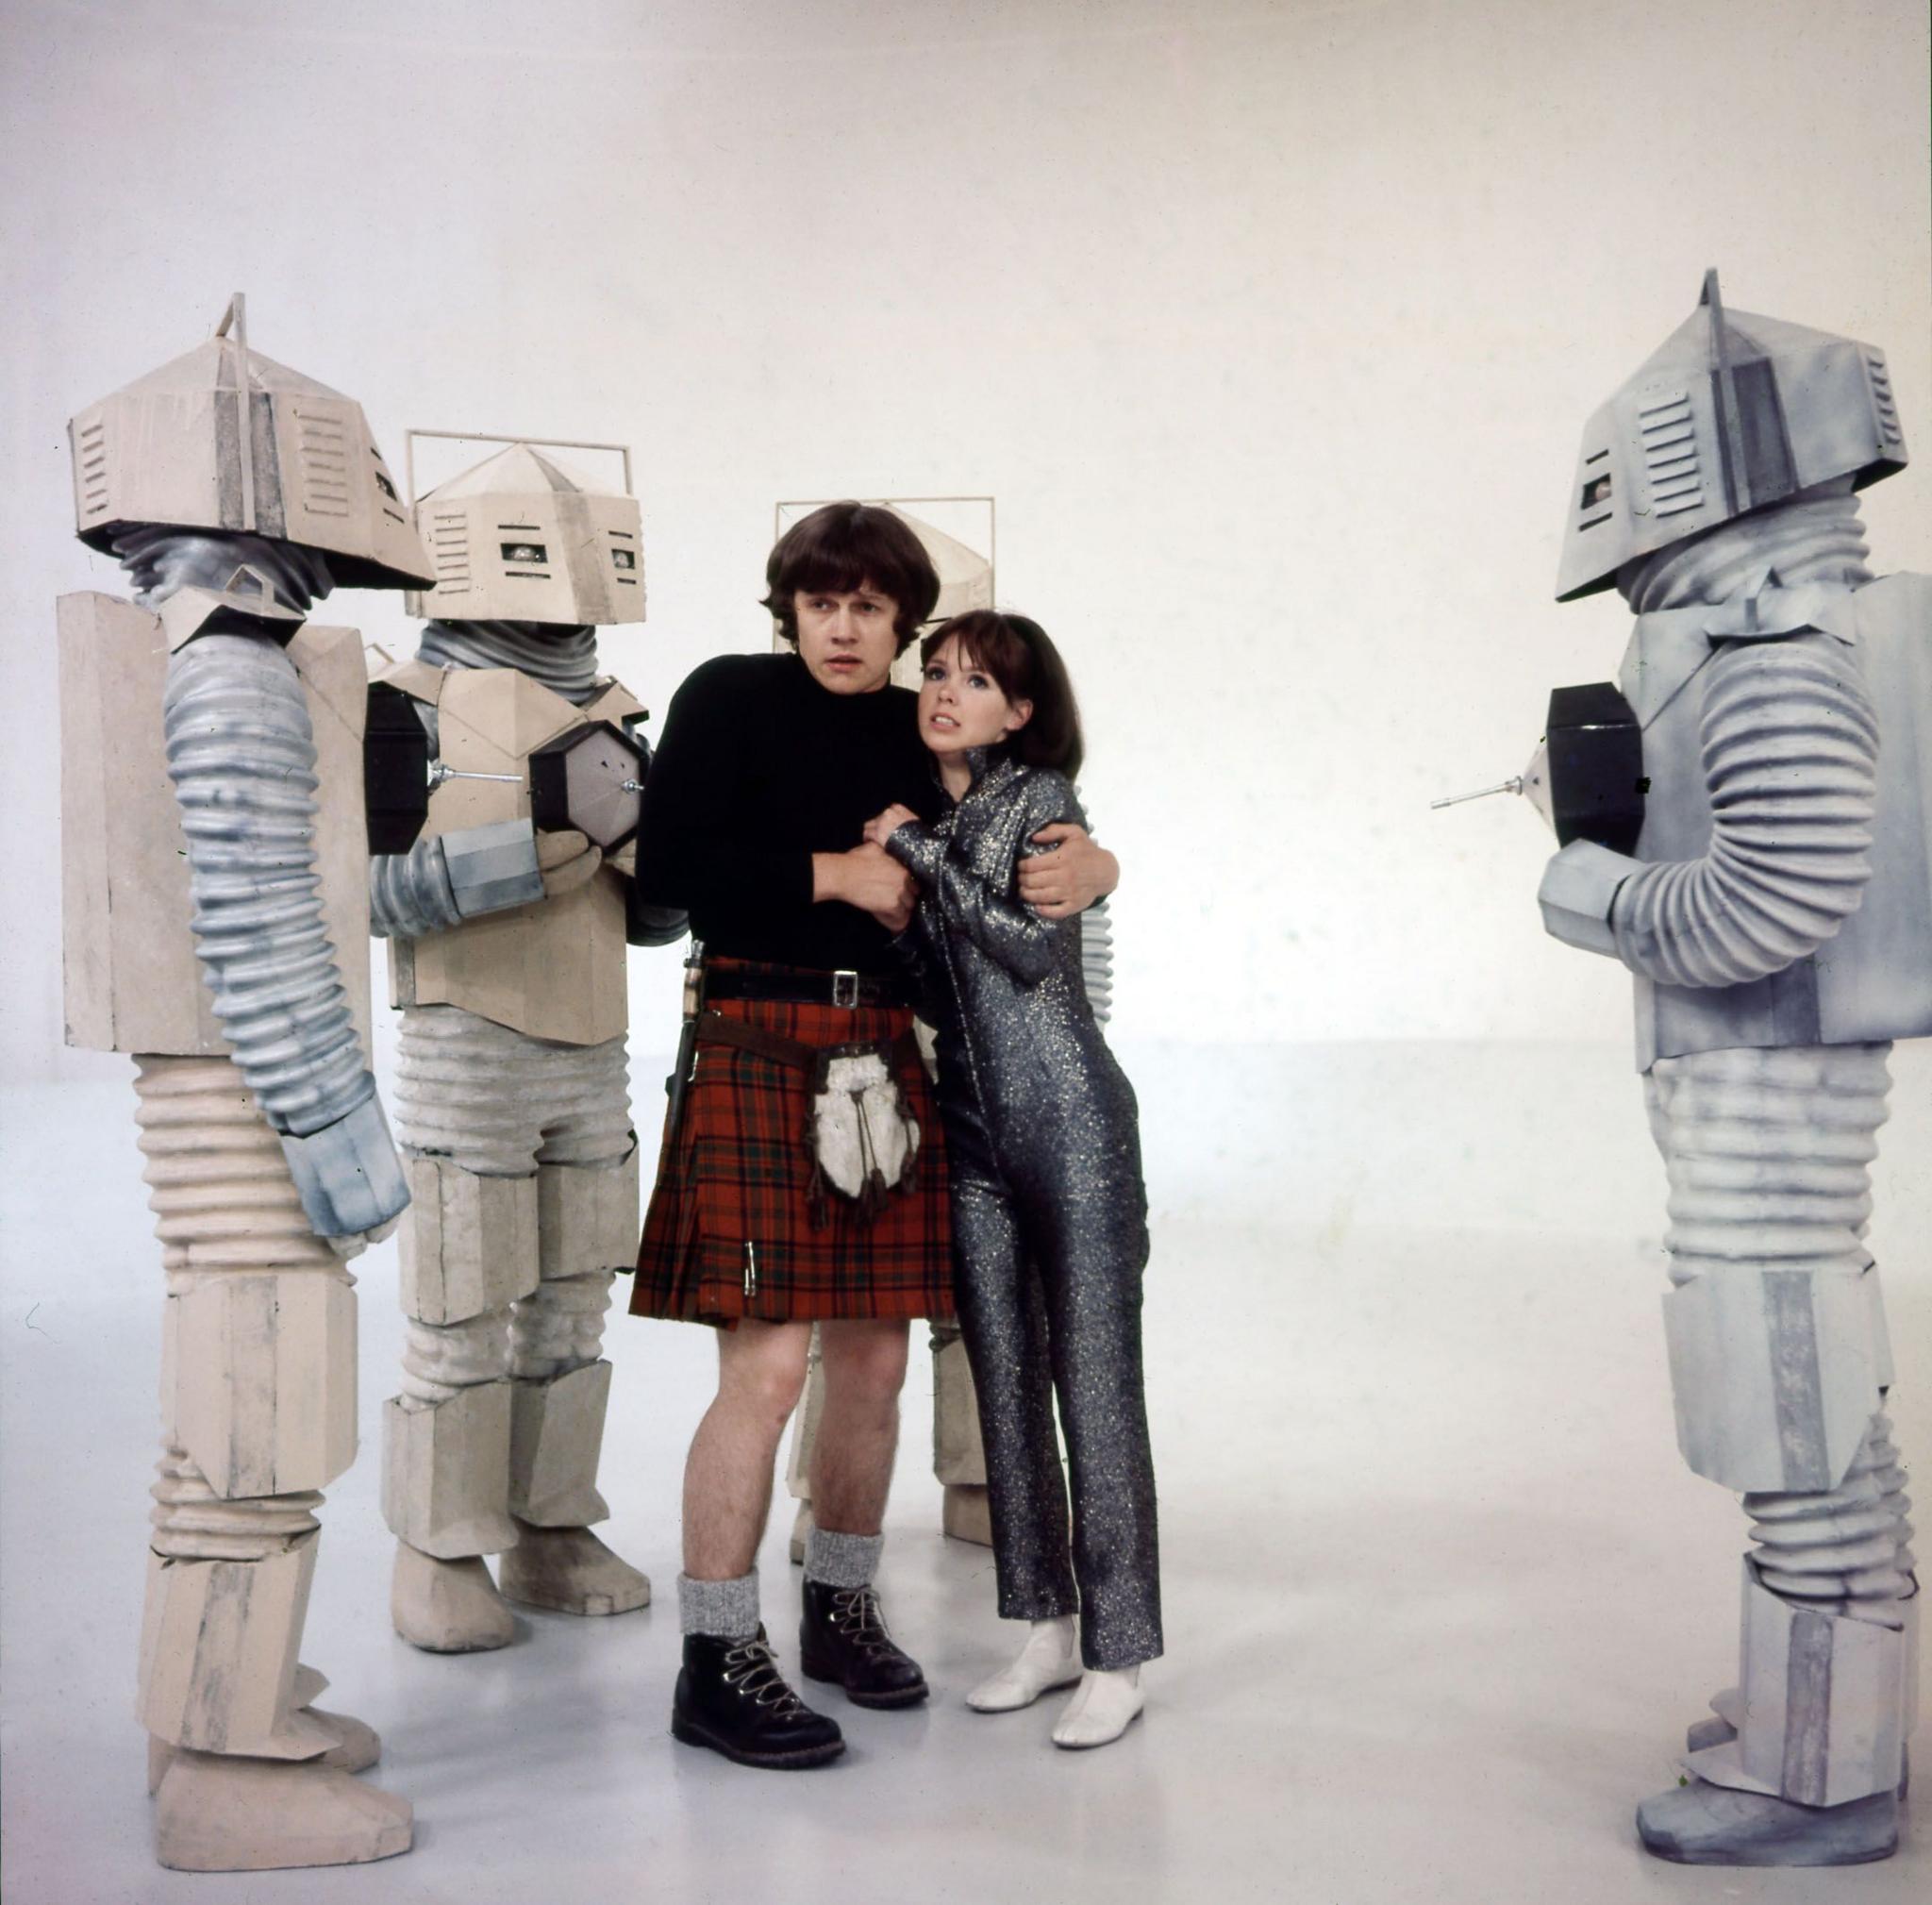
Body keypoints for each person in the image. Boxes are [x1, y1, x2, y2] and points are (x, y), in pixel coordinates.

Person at [630, 505, 1119, 1768]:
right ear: (787, 608)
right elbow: (667, 859)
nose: (843, 628)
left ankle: (839, 1605)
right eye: (819, 603)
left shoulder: (916, 723)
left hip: (886, 1057)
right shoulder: (727, 694)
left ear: (906, 620)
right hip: (752, 1035)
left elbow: (1020, 818)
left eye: (869, 607)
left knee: (876, 1365)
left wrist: (1099, 859)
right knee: (770, 1368)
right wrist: (830, 876)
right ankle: (715, 1654)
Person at [864, 609, 1160, 1750]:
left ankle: (1121, 1652)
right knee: (1002, 1383)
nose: (944, 693)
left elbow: (1036, 947)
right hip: (974, 1135)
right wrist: (905, 887)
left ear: (1021, 710)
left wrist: (917, 856)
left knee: (1093, 1382)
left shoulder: (1042, 802)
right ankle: (1043, 1626)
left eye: (974, 680)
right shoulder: (950, 815)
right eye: (934, 674)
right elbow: (943, 984)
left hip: (1074, 1126)